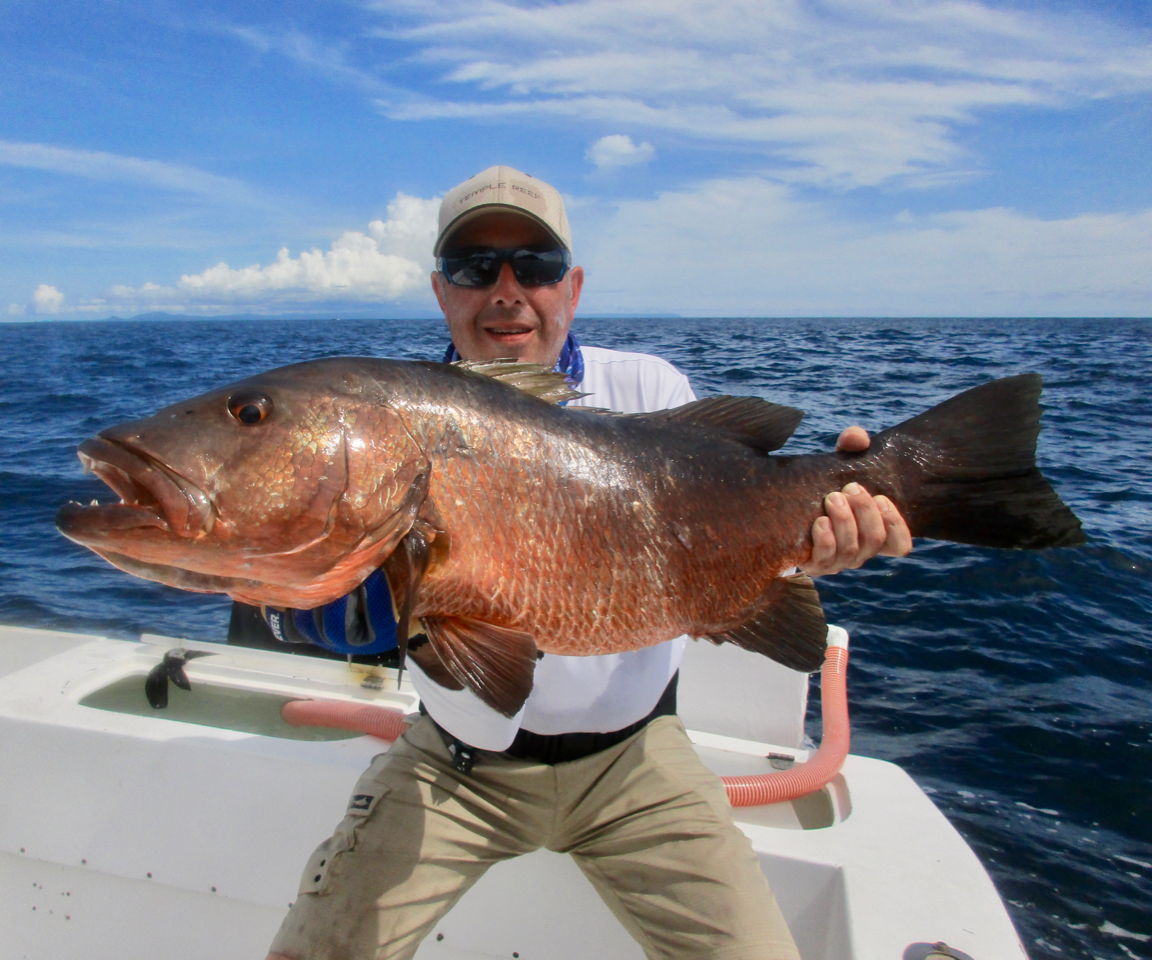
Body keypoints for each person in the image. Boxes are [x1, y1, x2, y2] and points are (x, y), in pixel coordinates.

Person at [264, 166, 912, 960]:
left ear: (571, 286)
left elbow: (728, 534)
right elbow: (446, 644)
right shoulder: (395, 418)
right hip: (455, 766)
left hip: (637, 764)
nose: (507, 290)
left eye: (533, 266)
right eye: (476, 268)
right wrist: (317, 606)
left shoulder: (646, 387)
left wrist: (818, 540)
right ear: (442, 293)